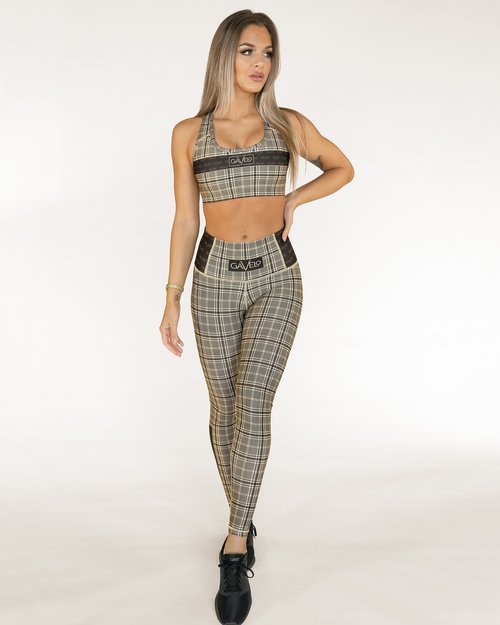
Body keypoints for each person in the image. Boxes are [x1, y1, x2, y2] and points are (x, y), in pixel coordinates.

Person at [160, 9, 354, 625]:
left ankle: (236, 544)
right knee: (224, 408)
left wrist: (294, 197)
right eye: (247, 50)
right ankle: (244, 512)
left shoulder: (287, 124)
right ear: (225, 55)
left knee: (254, 403)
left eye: (268, 53)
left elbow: (343, 167)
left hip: (276, 277)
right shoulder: (188, 133)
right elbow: (186, 218)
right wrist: (171, 294)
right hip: (212, 278)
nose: (259, 63)